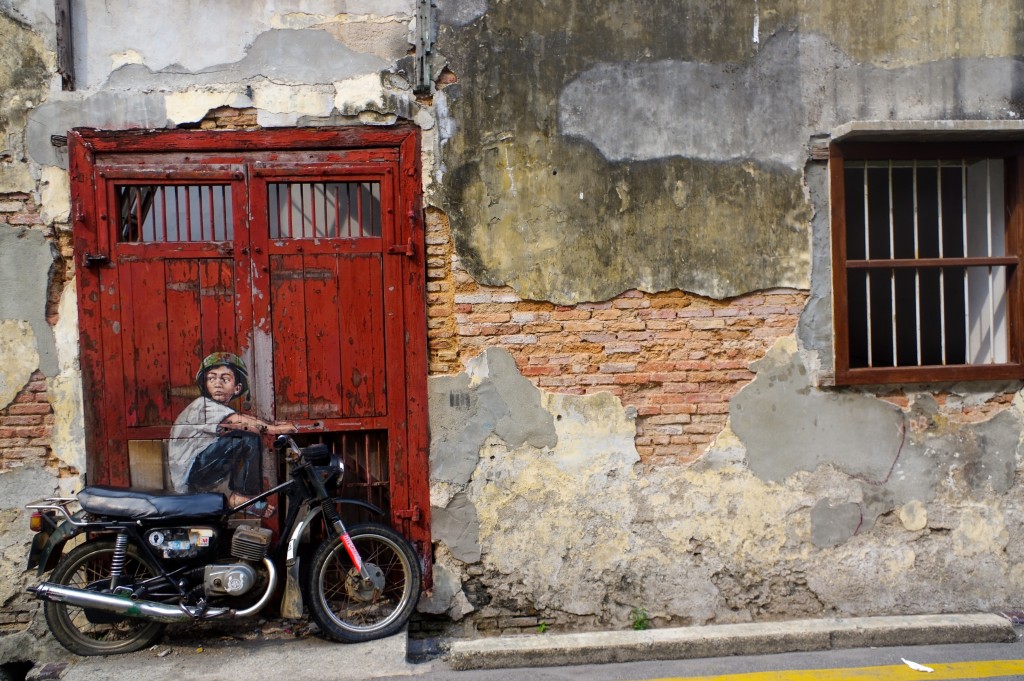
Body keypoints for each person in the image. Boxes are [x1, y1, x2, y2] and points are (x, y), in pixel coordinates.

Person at [167, 352, 293, 511]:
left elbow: (238, 424)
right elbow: (235, 421)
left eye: (225, 379)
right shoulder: (202, 405)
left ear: (237, 387)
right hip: (191, 474)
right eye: (211, 378)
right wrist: (273, 429)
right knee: (246, 438)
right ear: (205, 384)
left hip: (198, 473)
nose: (217, 383)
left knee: (245, 436)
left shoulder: (219, 410)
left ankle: (240, 496)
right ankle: (242, 496)